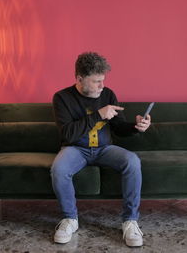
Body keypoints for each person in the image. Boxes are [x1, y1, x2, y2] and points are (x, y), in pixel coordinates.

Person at [51, 52, 151, 247]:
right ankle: (70, 219)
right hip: (75, 149)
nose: (102, 86)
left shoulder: (107, 94)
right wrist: (98, 115)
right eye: (96, 81)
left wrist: (136, 127)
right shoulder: (62, 98)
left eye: (103, 80)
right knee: (59, 169)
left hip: (105, 148)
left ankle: (130, 221)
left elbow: (119, 127)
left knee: (132, 161)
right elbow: (67, 134)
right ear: (80, 78)